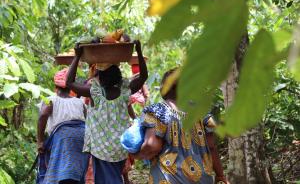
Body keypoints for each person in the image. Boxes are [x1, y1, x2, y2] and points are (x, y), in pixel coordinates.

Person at [66, 40, 148, 184]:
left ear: (101, 78)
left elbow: (69, 83)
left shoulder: (95, 93)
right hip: (119, 148)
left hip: (101, 149)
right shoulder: (124, 91)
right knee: (114, 177)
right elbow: (143, 76)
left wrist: (77, 56)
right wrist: (139, 51)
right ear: (118, 76)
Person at [130, 68, 229, 184]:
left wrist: (135, 155)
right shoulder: (202, 112)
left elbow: (152, 146)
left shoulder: (158, 111)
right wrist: (220, 175)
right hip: (202, 178)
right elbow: (211, 146)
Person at [37, 68, 89, 184]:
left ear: (55, 88)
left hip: (63, 136)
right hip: (82, 135)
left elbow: (43, 115)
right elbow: (87, 120)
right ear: (71, 88)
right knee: (75, 168)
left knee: (60, 171)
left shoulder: (51, 100)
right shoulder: (79, 102)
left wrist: (40, 141)